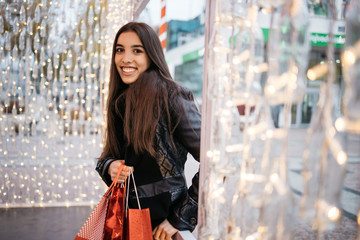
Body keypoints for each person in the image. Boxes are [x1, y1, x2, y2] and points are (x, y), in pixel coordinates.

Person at [95, 22, 201, 240]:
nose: (125, 58)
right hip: (126, 222)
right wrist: (110, 166)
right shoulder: (119, 101)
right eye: (120, 50)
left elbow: (215, 162)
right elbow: (108, 156)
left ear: (151, 55)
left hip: (162, 227)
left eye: (137, 51)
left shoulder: (173, 97)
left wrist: (179, 218)